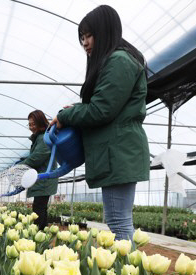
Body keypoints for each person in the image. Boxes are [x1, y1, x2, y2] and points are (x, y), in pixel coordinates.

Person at [50, 5, 149, 240]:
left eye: (89, 35)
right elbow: (105, 105)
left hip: (119, 152)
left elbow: (101, 110)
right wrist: (77, 109)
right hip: (116, 151)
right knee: (119, 220)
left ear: (105, 32)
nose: (84, 42)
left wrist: (66, 116)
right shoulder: (117, 60)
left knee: (118, 221)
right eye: (82, 37)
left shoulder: (119, 61)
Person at [20, 110, 58, 230]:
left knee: (38, 211)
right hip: (42, 181)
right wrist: (22, 161)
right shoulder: (40, 137)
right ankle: (42, 236)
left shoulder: (42, 138)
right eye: (29, 124)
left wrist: (19, 167)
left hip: (43, 181)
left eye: (33, 124)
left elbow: (36, 158)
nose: (31, 127)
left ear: (41, 122)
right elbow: (35, 156)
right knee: (41, 209)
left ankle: (38, 236)